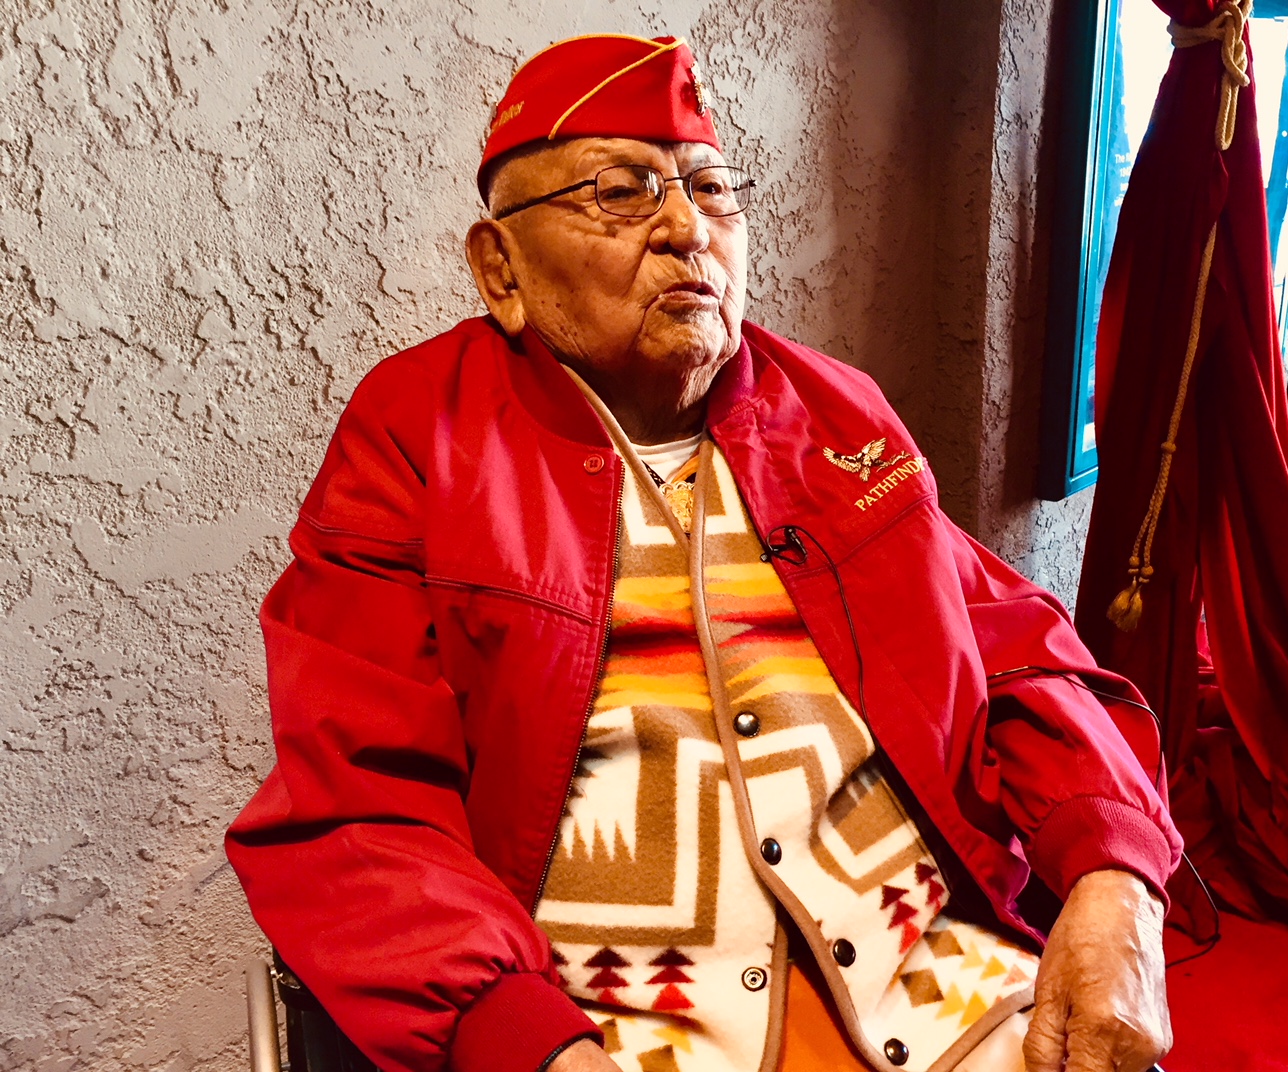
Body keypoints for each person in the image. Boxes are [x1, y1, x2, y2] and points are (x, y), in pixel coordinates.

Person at [227, 33, 1182, 1072]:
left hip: (942, 992)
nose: (688, 229)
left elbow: (1015, 651)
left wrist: (1115, 874)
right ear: (499, 267)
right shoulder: (419, 434)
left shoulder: (833, 411)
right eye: (620, 192)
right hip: (603, 1030)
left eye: (712, 189)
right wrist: (517, 1038)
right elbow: (357, 802)